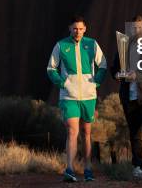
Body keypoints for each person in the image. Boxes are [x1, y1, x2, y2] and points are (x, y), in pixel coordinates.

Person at [47, 16, 107, 183]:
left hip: (88, 96)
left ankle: (88, 169)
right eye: (74, 28)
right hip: (69, 96)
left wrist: (96, 82)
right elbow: (51, 68)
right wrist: (63, 83)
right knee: (72, 131)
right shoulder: (61, 45)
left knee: (87, 133)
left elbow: (103, 65)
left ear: (85, 29)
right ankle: (70, 169)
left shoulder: (92, 44)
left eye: (80, 29)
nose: (77, 31)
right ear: (70, 28)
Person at [110, 15, 142, 178]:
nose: (136, 30)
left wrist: (137, 75)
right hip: (129, 95)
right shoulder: (123, 47)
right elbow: (114, 68)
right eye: (133, 27)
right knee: (134, 131)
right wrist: (117, 74)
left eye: (139, 27)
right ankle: (138, 166)